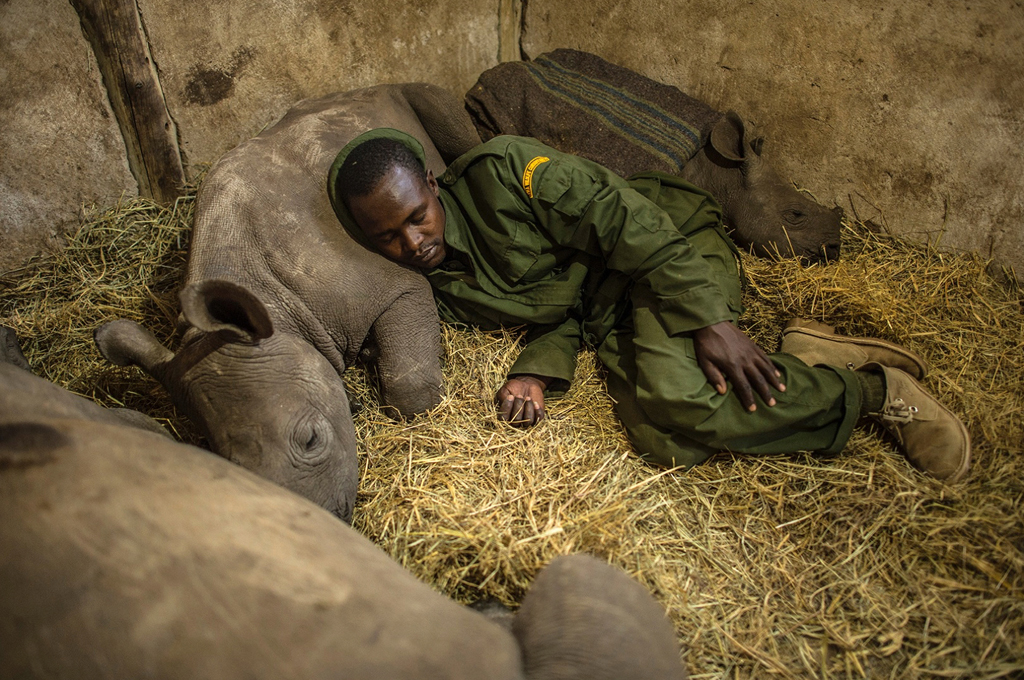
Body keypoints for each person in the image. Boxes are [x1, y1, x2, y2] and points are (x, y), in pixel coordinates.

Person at [327, 128, 971, 483]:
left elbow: (621, 215)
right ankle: (801, 355)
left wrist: (709, 319)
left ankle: (873, 391)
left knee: (678, 396)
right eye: (387, 235)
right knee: (667, 443)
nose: (413, 242)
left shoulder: (505, 173)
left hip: (670, 247)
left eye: (418, 216)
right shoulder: (433, 286)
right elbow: (560, 309)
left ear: (434, 187)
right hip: (614, 304)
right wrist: (537, 368)